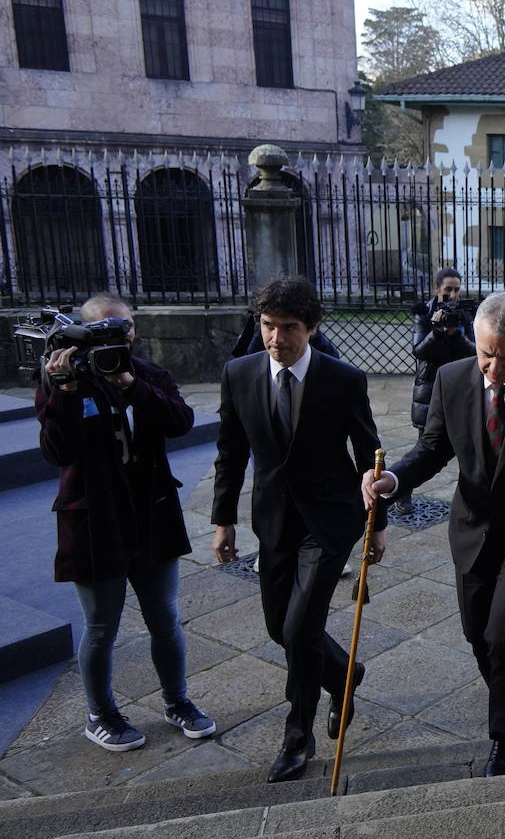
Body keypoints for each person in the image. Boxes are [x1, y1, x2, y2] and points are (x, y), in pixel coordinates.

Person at [362, 291, 505, 776]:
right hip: (472, 529)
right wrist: (393, 480)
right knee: (477, 636)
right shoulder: (452, 379)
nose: (492, 366)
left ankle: (504, 741)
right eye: (485, 353)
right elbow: (432, 448)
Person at [211, 276, 384, 782]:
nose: (276, 339)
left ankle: (297, 736)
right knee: (278, 627)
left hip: (330, 522)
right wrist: (223, 520)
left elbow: (368, 454)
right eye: (268, 326)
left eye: (289, 328)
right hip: (273, 521)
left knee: (299, 629)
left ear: (311, 328)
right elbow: (230, 452)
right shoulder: (238, 375)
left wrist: (378, 525)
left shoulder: (342, 380)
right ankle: (346, 674)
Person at [35, 293, 216, 752]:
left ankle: (177, 701)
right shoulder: (66, 380)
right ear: (82, 331)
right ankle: (101, 714)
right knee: (100, 627)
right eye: (106, 329)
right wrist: (63, 394)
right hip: (96, 523)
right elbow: (58, 453)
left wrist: (130, 382)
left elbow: (180, 422)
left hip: (151, 515)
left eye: (126, 326)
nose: (120, 335)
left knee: (165, 619)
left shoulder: (149, 375)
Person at [395, 267, 476, 514]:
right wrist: (437, 332)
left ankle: (473, 499)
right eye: (448, 289)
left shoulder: (465, 312)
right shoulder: (424, 313)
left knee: (470, 448)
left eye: (456, 289)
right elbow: (419, 351)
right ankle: (401, 489)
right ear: (437, 288)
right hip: (430, 390)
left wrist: (456, 336)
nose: (453, 294)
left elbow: (474, 350)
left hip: (461, 389)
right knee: (425, 449)